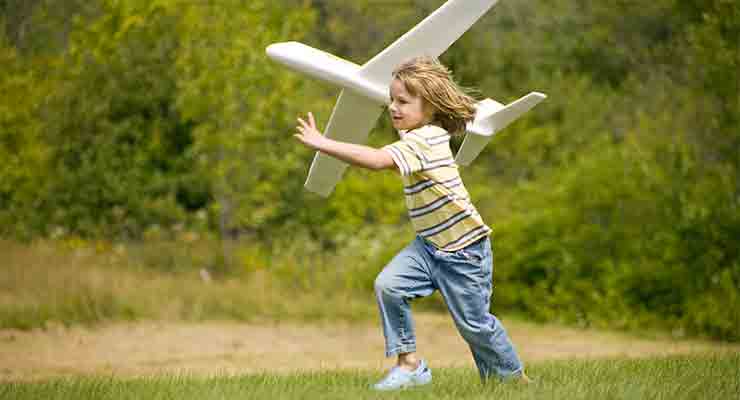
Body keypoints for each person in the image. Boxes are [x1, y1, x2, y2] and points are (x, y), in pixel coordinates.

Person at [294, 56, 529, 390]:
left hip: (464, 252)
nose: (393, 107)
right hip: (429, 247)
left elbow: (376, 161)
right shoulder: (414, 138)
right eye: (392, 99)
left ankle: (513, 381)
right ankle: (410, 365)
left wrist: (323, 143)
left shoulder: (427, 139)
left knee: (474, 326)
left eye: (403, 101)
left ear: (430, 107)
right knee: (389, 286)